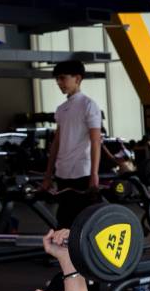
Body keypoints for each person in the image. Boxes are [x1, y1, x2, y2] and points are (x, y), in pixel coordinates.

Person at [41, 60, 103, 230]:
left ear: (77, 78)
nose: (59, 83)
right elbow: (56, 143)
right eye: (57, 80)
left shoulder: (89, 105)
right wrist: (48, 175)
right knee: (64, 220)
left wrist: (94, 174)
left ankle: (85, 255)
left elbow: (95, 141)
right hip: (63, 173)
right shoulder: (61, 109)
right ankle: (66, 255)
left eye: (62, 78)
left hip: (82, 173)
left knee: (84, 221)